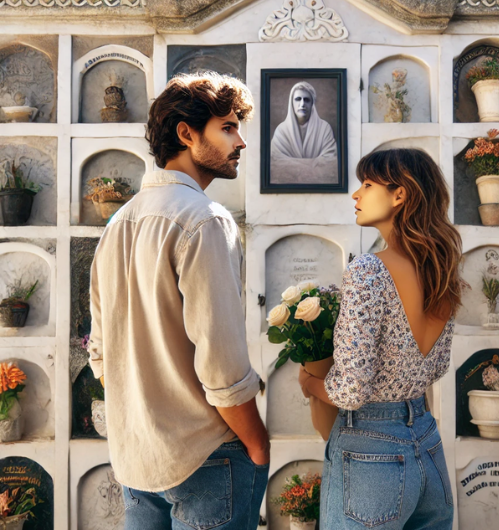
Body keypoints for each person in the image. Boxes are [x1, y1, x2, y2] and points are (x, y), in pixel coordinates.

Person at [87, 72, 270, 530]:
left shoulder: (118, 224)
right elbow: (223, 369)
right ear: (187, 134)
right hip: (205, 454)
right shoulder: (205, 221)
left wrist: (145, 413)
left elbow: (100, 353)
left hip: (137, 456)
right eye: (228, 127)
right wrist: (259, 446)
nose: (241, 142)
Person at [299, 149, 462, 529]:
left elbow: (350, 391)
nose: (356, 195)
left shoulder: (369, 270)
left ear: (400, 195)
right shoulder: (441, 269)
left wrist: (310, 382)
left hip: (370, 452)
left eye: (367, 184)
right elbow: (437, 365)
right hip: (426, 442)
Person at [270, 80, 338, 184]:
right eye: (298, 99)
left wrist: (294, 164)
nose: (302, 104)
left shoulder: (324, 128)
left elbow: (330, 161)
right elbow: (275, 162)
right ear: (291, 103)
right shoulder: (281, 130)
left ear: (312, 104)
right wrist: (312, 164)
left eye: (306, 100)